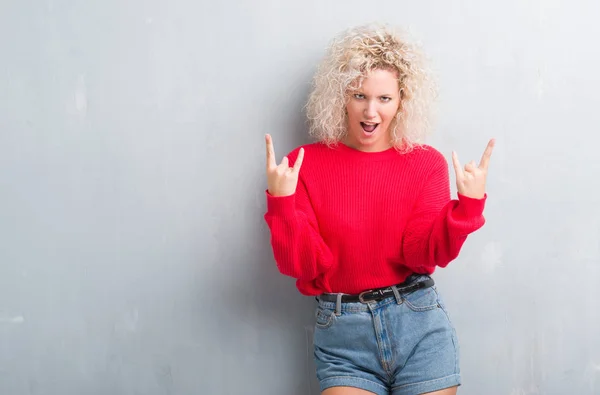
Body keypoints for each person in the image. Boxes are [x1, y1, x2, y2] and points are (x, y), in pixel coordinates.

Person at [263, 23, 494, 395]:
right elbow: (303, 267)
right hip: (343, 336)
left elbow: (422, 256)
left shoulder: (425, 164)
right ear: (342, 96)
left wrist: (467, 209)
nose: (371, 111)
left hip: (417, 323)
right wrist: (283, 205)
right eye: (359, 95)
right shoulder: (300, 166)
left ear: (402, 100)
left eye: (384, 98)